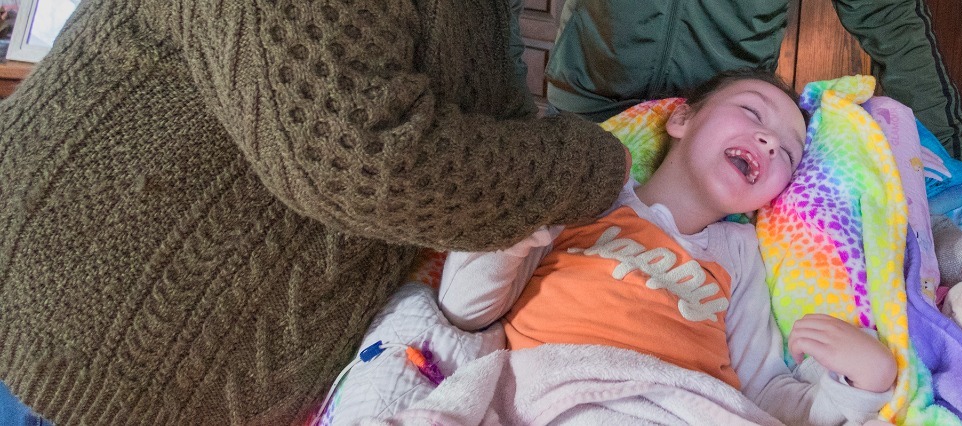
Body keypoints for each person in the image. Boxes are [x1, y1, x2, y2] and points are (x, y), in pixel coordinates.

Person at [0, 0, 628, 423]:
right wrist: (599, 164)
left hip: (195, 366)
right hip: (82, 346)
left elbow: (475, 108)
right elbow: (366, 159)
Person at [439, 69, 898, 425]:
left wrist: (862, 382)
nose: (769, 141)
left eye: (790, 153)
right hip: (557, 395)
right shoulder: (590, 193)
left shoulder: (741, 254)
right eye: (752, 113)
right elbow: (467, 312)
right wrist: (511, 224)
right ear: (681, 118)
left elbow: (765, 395)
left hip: (688, 407)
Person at [546, 0, 962, 165]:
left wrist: (945, 162)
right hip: (590, 109)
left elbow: (892, 22)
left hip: (724, 128)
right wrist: (497, 112)